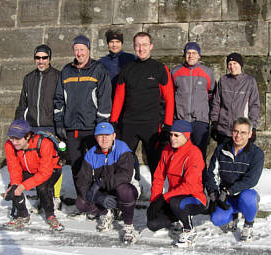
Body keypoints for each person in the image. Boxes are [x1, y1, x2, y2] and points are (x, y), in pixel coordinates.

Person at [110, 32, 174, 177]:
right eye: (138, 45)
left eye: (144, 45)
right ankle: (125, 195)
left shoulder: (160, 69)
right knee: (122, 163)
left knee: (155, 164)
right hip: (129, 124)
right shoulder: (127, 70)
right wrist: (113, 122)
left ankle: (156, 197)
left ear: (151, 46)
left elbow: (169, 99)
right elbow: (119, 99)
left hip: (151, 125)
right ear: (134, 47)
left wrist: (167, 125)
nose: (141, 48)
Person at [54, 35, 112, 194]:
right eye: (76, 49)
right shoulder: (66, 71)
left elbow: (105, 99)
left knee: (98, 165)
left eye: (82, 49)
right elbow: (59, 99)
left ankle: (100, 198)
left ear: (88, 50)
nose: (79, 53)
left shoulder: (99, 70)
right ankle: (83, 199)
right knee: (77, 166)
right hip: (72, 128)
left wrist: (101, 125)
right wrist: (59, 123)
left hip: (93, 127)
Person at [14, 44, 62, 210]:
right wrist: (18, 127)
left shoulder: (58, 76)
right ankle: (42, 195)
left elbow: (62, 102)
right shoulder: (28, 78)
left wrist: (60, 125)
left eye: (44, 57)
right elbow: (22, 105)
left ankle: (54, 196)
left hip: (51, 126)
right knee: (36, 162)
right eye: (38, 57)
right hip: (32, 126)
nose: (41, 61)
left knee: (53, 162)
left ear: (49, 59)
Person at [75, 122, 139, 244]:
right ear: (95, 137)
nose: (104, 139)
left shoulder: (123, 149)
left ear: (114, 136)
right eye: (100, 135)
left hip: (126, 188)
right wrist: (97, 196)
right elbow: (82, 180)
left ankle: (128, 227)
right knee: (80, 202)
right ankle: (107, 213)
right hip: (104, 191)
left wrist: (101, 183)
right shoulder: (91, 154)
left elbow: (125, 176)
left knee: (125, 190)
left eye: (107, 135)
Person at [147, 120, 207, 248]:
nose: (172, 138)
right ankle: (178, 218)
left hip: (194, 198)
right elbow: (158, 177)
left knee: (176, 202)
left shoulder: (194, 153)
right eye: (171, 135)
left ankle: (188, 229)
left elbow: (189, 186)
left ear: (186, 136)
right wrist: (155, 201)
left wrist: (164, 197)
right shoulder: (166, 151)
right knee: (152, 224)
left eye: (176, 135)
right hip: (173, 198)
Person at [206, 117, 264, 241]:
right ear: (231, 132)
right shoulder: (221, 149)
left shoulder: (256, 153)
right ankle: (233, 216)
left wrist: (229, 191)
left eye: (243, 132)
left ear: (250, 134)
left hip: (245, 194)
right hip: (225, 197)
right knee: (216, 219)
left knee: (248, 199)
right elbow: (211, 173)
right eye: (236, 131)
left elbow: (251, 180)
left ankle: (248, 223)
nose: (238, 136)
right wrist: (213, 193)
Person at [4, 120, 64, 231]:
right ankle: (22, 214)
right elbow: (14, 168)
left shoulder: (44, 143)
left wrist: (24, 186)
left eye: (17, 138)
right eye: (12, 138)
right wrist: (16, 184)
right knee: (14, 187)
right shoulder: (10, 145)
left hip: (51, 170)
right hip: (29, 170)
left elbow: (45, 172)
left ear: (27, 136)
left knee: (42, 187)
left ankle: (50, 215)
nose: (14, 142)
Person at [171, 42, 216, 161]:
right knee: (180, 154)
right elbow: (170, 95)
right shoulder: (175, 71)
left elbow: (212, 94)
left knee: (199, 154)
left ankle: (201, 179)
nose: (191, 55)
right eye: (188, 53)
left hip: (200, 121)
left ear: (199, 55)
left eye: (194, 53)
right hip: (181, 119)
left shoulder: (207, 72)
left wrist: (209, 116)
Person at [210, 53, 260, 145]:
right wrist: (214, 123)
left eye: (235, 63)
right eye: (230, 64)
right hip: (224, 130)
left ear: (240, 65)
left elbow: (254, 106)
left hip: (241, 131)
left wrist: (253, 127)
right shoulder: (223, 80)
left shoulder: (250, 82)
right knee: (223, 158)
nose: (232, 66)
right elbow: (216, 102)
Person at [99, 29, 136, 100]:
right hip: (110, 100)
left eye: (117, 42)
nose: (114, 45)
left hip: (129, 100)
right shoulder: (101, 62)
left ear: (121, 43)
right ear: (107, 43)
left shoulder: (132, 58)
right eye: (111, 42)